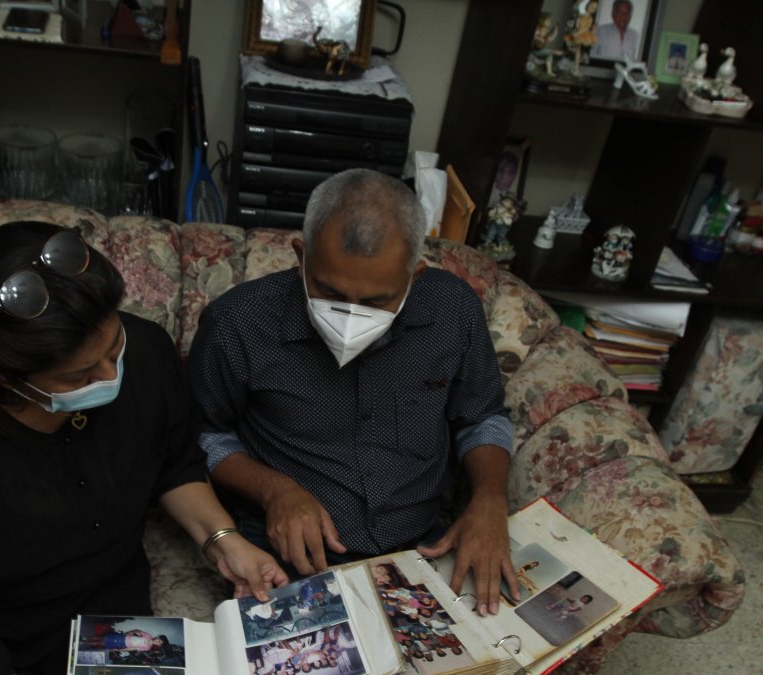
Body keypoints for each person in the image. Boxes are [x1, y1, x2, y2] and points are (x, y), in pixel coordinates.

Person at [0, 221, 288, 674]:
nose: (109, 376)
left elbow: (174, 464)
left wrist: (224, 540)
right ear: (0, 375)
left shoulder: (144, 353)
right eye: (78, 377)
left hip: (102, 607)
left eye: (113, 346)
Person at [187, 168, 518, 617]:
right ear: (301, 257)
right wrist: (274, 491)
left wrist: (490, 499)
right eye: (329, 292)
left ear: (414, 276)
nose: (350, 317)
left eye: (377, 301)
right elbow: (202, 437)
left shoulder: (452, 308)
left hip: (423, 548)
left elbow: (482, 417)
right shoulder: (237, 323)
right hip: (294, 559)